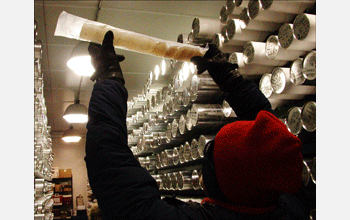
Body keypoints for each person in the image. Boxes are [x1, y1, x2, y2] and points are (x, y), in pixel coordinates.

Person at [84, 31, 315, 220]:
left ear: (225, 182)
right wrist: (228, 78)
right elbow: (273, 140)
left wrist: (109, 82)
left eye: (212, 157)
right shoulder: (290, 204)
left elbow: (113, 169)